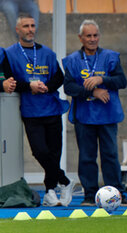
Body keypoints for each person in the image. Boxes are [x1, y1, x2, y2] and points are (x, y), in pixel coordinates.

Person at [63, 19, 127, 207]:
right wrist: (92, 91)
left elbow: (122, 81)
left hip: (107, 115)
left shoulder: (111, 57)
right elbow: (69, 87)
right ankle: (89, 195)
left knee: (110, 155)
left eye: (95, 35)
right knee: (87, 157)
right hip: (84, 117)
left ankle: (117, 193)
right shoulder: (71, 60)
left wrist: (101, 79)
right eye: (88, 36)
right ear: (80, 37)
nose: (92, 39)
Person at [6, 14, 74, 207]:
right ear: (17, 30)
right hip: (30, 111)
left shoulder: (48, 53)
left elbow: (59, 78)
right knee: (40, 151)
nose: (30, 29)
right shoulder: (9, 54)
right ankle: (66, 181)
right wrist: (29, 86)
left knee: (54, 153)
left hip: (51, 109)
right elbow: (10, 82)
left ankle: (50, 192)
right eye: (26, 26)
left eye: (33, 25)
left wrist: (47, 87)